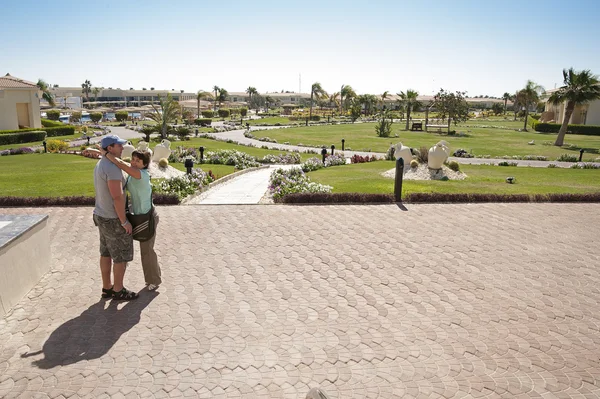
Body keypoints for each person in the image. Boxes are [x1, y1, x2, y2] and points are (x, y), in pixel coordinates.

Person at [102, 148, 162, 291]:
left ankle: (154, 280)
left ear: (144, 164)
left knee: (147, 250)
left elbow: (121, 164)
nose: (134, 163)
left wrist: (104, 154)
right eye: (133, 159)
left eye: (138, 161)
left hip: (148, 218)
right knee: (144, 249)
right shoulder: (132, 175)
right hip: (139, 218)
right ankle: (150, 279)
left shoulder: (141, 175)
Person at [93, 135, 138, 300]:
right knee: (120, 256)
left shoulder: (102, 163)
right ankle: (118, 290)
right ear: (110, 148)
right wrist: (124, 221)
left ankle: (107, 287)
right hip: (112, 219)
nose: (122, 148)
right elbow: (117, 197)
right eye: (119, 145)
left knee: (105, 253)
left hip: (101, 215)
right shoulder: (111, 168)